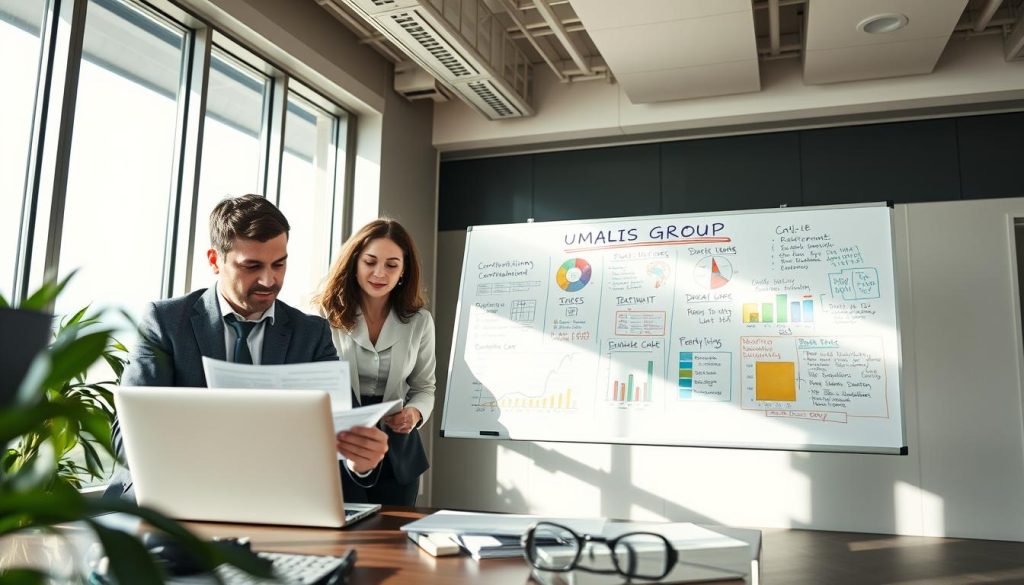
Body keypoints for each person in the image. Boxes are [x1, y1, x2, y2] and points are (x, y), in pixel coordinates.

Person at [106, 194, 388, 499]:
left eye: (279, 264)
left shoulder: (312, 334)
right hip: (171, 496)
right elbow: (127, 437)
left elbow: (342, 431)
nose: (269, 279)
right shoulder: (164, 322)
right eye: (252, 266)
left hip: (271, 500)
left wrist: (361, 459)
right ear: (215, 260)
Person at [314, 218, 435, 506]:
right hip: (341, 446)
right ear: (354, 262)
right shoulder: (322, 316)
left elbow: (425, 387)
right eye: (370, 262)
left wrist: (415, 414)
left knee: (394, 542)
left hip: (398, 453)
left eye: (391, 265)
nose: (379, 273)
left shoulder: (419, 322)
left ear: (404, 270)